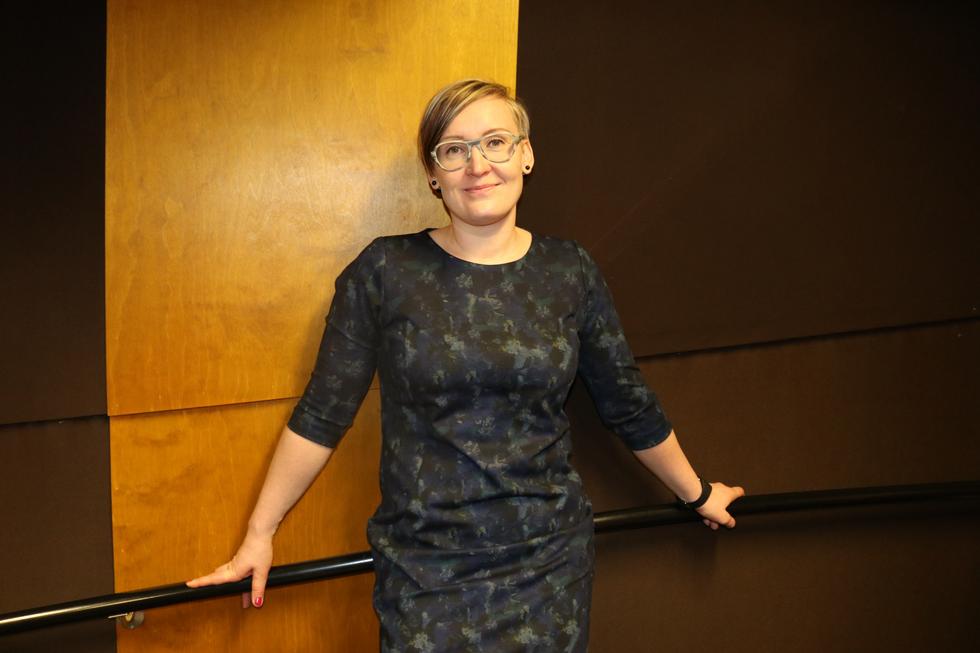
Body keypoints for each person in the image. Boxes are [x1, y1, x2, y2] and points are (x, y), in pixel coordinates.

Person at [188, 79, 745, 651]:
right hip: (425, 570)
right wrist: (260, 533)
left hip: (549, 565)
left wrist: (697, 493)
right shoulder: (386, 270)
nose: (478, 165)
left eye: (495, 142)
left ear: (526, 155)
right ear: (434, 174)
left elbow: (626, 402)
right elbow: (323, 414)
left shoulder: (569, 270)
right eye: (454, 150)